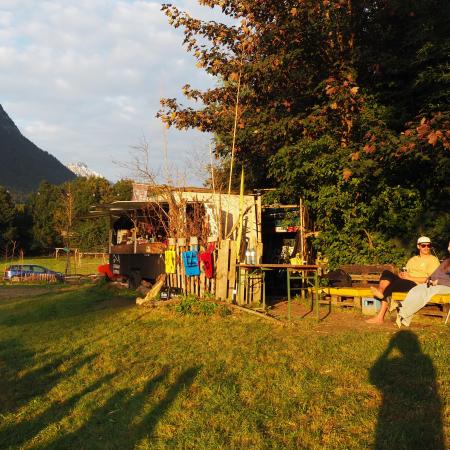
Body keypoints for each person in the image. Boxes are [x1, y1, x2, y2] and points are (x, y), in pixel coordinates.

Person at [366, 236, 440, 324]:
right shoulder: (413, 260)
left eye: (428, 245)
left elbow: (430, 279)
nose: (426, 248)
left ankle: (380, 317)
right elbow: (406, 272)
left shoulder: (433, 260)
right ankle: (381, 291)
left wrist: (409, 277)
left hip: (417, 284)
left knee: (393, 285)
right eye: (423, 245)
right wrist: (401, 275)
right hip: (406, 280)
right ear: (418, 246)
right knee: (387, 273)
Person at [395, 240, 450, 327]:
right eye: (448, 246)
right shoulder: (447, 262)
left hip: (447, 286)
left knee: (428, 291)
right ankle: (403, 314)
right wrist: (431, 280)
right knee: (418, 288)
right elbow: (434, 275)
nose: (448, 248)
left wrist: (439, 281)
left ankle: (402, 312)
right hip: (438, 284)